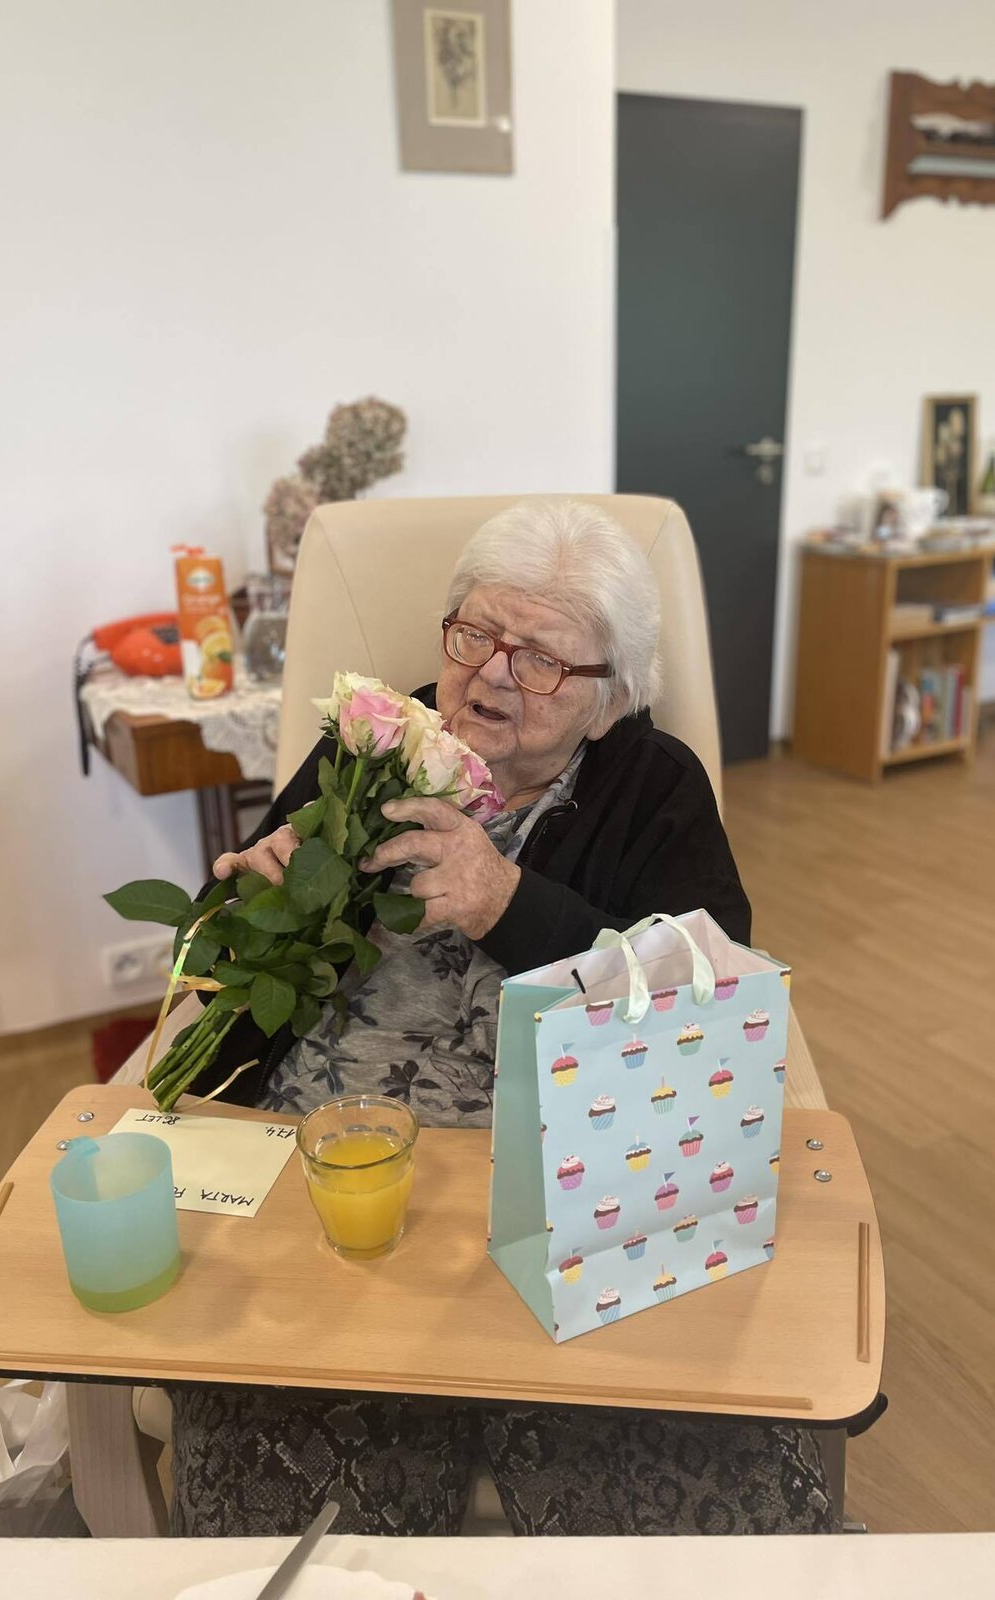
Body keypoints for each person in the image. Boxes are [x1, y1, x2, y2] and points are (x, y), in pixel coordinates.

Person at [169, 499, 831, 1538]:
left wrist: (508, 904)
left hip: (575, 1189)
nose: (487, 675)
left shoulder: (654, 786)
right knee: (301, 1519)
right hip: (333, 1176)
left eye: (542, 659)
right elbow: (222, 973)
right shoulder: (375, 741)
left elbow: (709, 997)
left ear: (609, 700)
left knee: (668, 1506)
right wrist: (255, 911)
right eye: (475, 634)